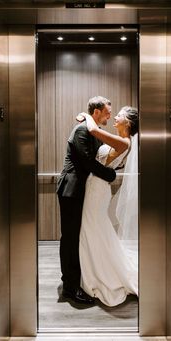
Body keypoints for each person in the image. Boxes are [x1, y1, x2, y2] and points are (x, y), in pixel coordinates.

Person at [57, 96, 116, 305]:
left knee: (76, 236)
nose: (110, 115)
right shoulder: (82, 130)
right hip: (71, 189)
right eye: (107, 111)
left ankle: (77, 280)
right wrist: (111, 175)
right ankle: (70, 288)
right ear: (97, 112)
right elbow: (88, 162)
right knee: (70, 238)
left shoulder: (91, 129)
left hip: (82, 189)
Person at [78, 106, 139, 306]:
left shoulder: (123, 142)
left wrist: (87, 115)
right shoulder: (119, 140)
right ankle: (97, 266)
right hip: (95, 186)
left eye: (119, 116)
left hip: (97, 189)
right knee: (95, 228)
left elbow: (94, 131)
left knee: (90, 228)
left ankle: (97, 273)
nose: (115, 117)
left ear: (127, 124)